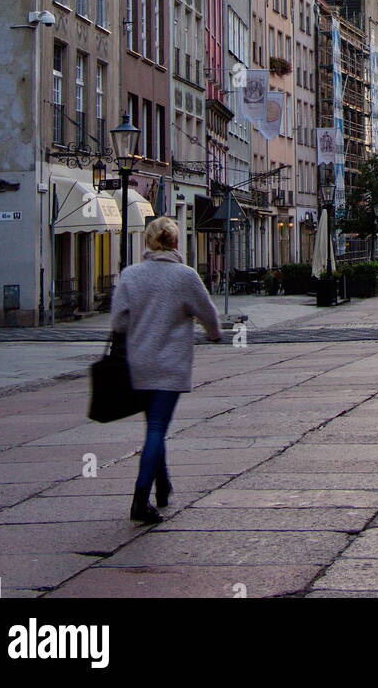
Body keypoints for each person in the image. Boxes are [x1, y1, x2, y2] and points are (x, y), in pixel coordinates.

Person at [111, 216, 222, 524]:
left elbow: (118, 321)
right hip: (170, 364)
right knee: (157, 428)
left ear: (148, 241)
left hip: (138, 363)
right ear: (175, 242)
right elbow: (209, 315)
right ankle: (140, 498)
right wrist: (214, 334)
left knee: (153, 427)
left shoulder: (131, 275)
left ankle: (163, 484)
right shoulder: (184, 276)